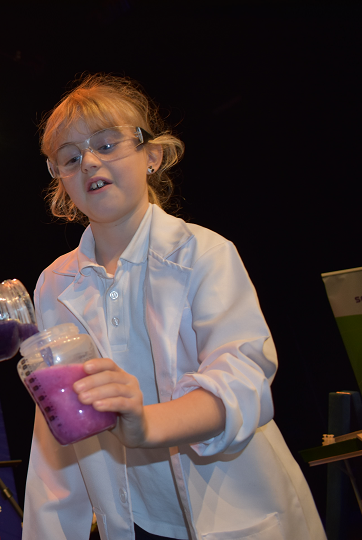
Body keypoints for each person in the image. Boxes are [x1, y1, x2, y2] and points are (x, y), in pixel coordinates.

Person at [21, 74, 326, 540]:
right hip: (136, 522)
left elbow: (243, 379)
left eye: (106, 144)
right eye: (71, 157)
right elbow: (59, 423)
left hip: (237, 509)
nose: (89, 162)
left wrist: (146, 423)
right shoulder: (52, 284)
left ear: (152, 155)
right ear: (61, 182)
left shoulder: (204, 253)